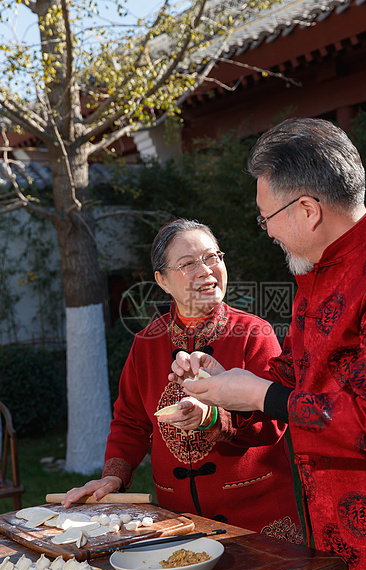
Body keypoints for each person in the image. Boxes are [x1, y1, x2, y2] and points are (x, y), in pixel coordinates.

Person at [171, 119, 366, 570]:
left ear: (307, 210)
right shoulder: (318, 271)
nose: (268, 232)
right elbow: (291, 381)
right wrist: (222, 384)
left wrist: (261, 395)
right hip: (333, 543)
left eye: (267, 218)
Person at [63, 219, 302, 542]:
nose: (205, 270)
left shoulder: (253, 333)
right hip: (180, 519)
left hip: (257, 518)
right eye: (188, 263)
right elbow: (130, 423)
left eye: (212, 257)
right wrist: (113, 478)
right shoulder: (147, 342)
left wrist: (213, 418)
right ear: (162, 280)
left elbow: (276, 423)